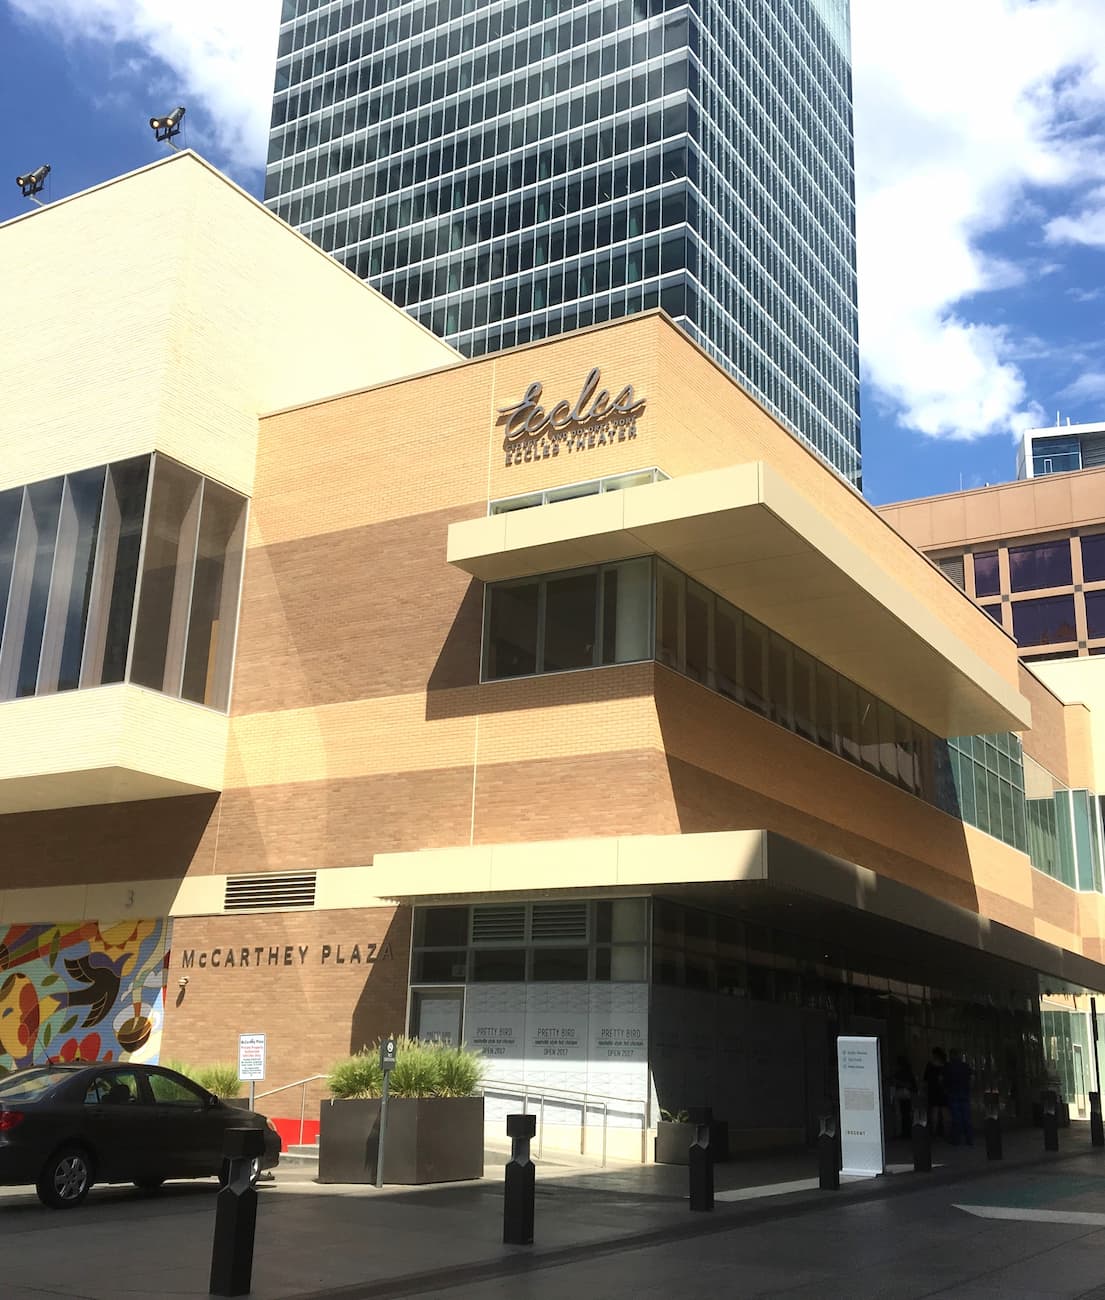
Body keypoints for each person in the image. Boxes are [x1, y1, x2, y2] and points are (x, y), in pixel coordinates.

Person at [944, 1049, 973, 1145]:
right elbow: (971, 1077)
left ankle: (957, 1139)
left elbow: (943, 1080)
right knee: (966, 1117)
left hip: (953, 1093)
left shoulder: (948, 1066)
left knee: (956, 1118)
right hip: (964, 1092)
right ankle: (969, 1139)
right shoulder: (965, 1066)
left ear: (951, 1055)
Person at [924, 1047, 947, 1137]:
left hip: (933, 1091)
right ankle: (946, 1133)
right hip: (943, 1091)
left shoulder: (930, 1065)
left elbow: (925, 1080)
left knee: (934, 1112)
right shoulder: (945, 1065)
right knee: (944, 1112)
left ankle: (934, 1133)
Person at [892, 1056, 917, 1139]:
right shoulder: (909, 1073)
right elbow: (912, 1085)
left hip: (901, 1094)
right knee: (908, 1114)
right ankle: (909, 1132)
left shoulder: (899, 1073)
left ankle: (901, 1132)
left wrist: (898, 1082)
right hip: (909, 1094)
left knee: (899, 1114)